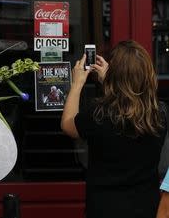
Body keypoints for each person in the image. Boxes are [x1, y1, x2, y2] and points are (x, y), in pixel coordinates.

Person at [61, 40, 167, 218]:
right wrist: (111, 83)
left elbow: (68, 125)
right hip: (145, 208)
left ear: (114, 76)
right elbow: (129, 108)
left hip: (104, 208)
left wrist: (77, 84)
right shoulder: (161, 113)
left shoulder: (99, 113)